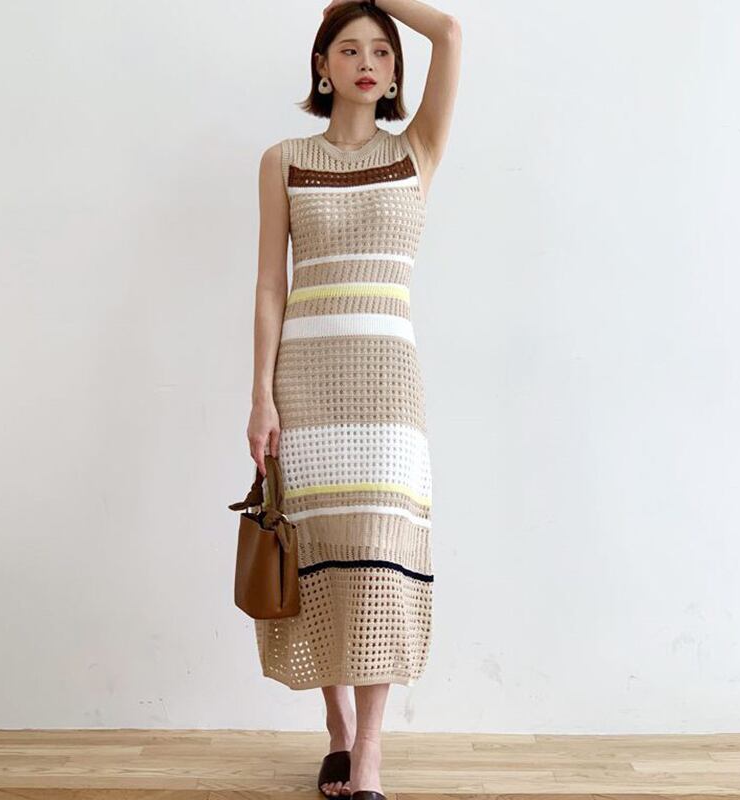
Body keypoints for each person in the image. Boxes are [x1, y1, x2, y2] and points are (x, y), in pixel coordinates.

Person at [247, 1, 460, 798]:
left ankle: (367, 752)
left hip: (388, 390)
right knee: (317, 557)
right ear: (322, 66)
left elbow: (450, 33)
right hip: (305, 384)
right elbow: (270, 285)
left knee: (380, 558)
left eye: (381, 51)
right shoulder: (283, 160)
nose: (366, 62)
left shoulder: (417, 151)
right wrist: (260, 396)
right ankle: (336, 727)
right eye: (348, 48)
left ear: (396, 72)